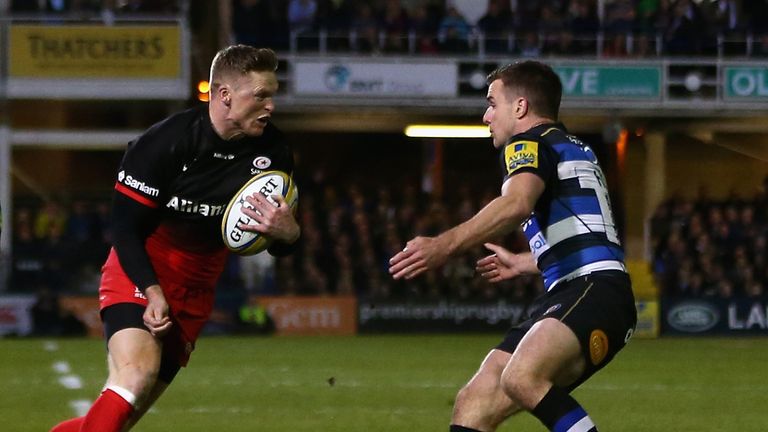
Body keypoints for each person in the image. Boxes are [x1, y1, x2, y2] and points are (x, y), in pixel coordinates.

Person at [50, 45, 301, 432]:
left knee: (120, 417)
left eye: (273, 96)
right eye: (261, 96)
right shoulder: (166, 142)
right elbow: (123, 228)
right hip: (142, 270)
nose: (271, 106)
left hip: (198, 287)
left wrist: (290, 234)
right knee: (134, 378)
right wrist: (151, 290)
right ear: (224, 95)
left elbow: (277, 241)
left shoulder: (274, 152)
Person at [389, 60, 637, 432]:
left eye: (492, 103)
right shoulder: (571, 147)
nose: (486, 116)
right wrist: (528, 262)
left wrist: (445, 244)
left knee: (521, 377)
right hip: (586, 289)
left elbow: (516, 204)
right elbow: (589, 235)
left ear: (520, 107)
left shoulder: (529, 143)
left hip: (593, 289)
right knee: (475, 401)